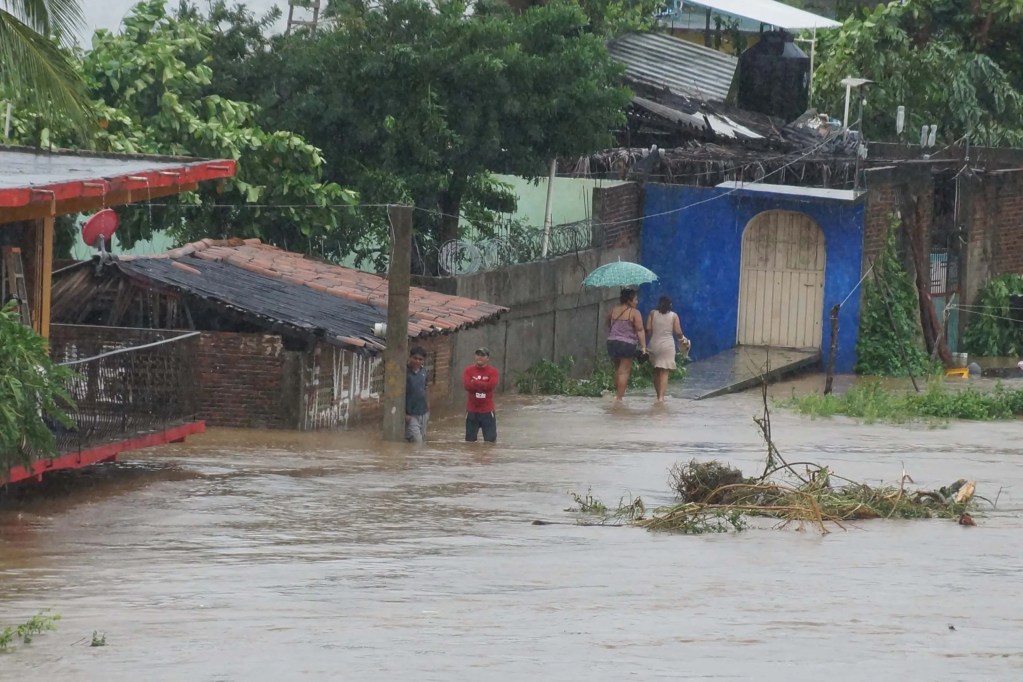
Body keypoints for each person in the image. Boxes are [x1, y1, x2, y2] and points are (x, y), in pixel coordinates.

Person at [606, 288, 647, 401]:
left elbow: (608, 325)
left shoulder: (613, 310)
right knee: (623, 371)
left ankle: (616, 395)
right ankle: (619, 399)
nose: (637, 302)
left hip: (612, 343)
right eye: (635, 299)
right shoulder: (634, 313)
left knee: (617, 369)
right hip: (627, 344)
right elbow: (640, 330)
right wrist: (643, 347)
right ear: (629, 300)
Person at [646, 295, 688, 403]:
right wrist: (683, 340)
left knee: (655, 370)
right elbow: (678, 332)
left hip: (654, 344)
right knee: (664, 371)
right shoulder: (673, 316)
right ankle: (661, 398)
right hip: (667, 346)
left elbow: (648, 329)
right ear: (670, 305)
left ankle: (657, 395)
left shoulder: (652, 313)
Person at [463, 347, 499, 442]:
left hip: (487, 411)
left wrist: (475, 382)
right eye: (478, 355)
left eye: (482, 355)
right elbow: (467, 386)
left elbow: (491, 386)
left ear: (487, 358)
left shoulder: (493, 371)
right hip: (472, 411)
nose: (480, 357)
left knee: (490, 442)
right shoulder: (468, 370)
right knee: (470, 442)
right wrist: (484, 384)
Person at [405, 346, 430, 443]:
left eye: (420, 359)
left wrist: (428, 409)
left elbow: (426, 389)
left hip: (423, 413)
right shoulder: (404, 372)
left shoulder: (424, 372)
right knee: (418, 441)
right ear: (410, 358)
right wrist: (404, 414)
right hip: (410, 414)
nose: (417, 361)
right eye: (415, 358)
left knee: (421, 439)